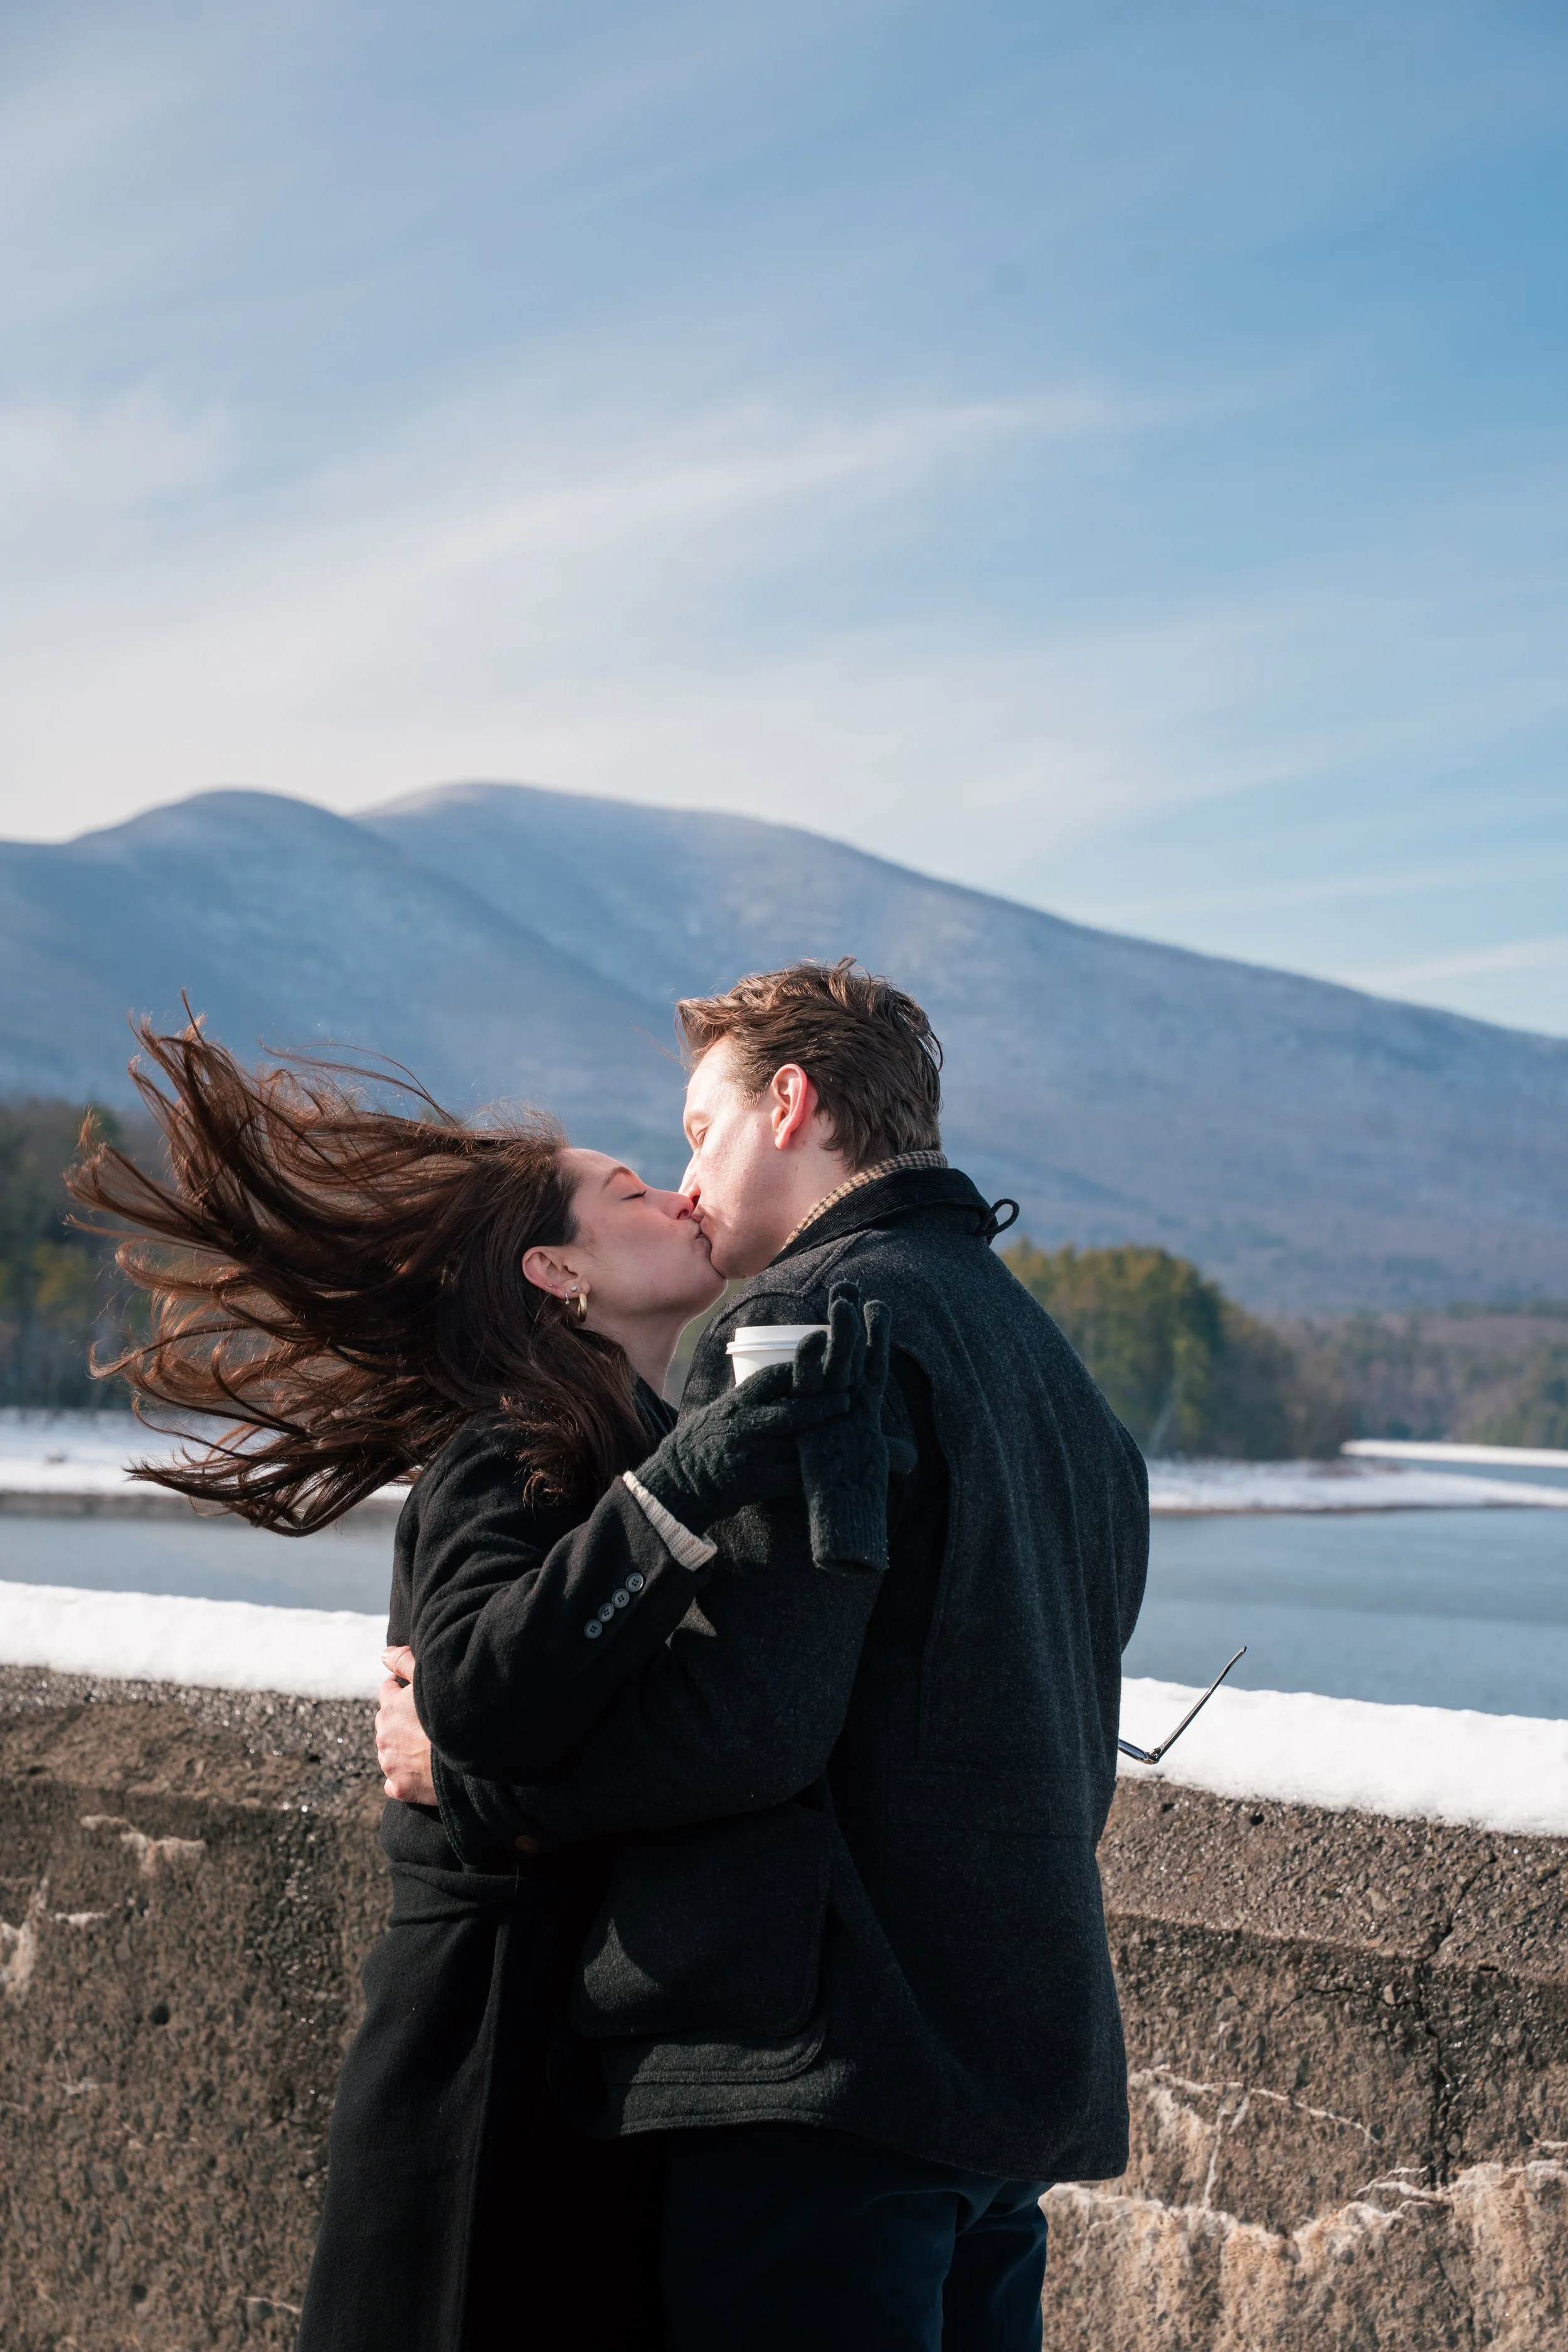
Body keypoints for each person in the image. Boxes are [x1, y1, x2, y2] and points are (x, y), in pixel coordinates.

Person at [68, 1017, 901, 2352]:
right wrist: (684, 1493)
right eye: (633, 1189)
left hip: (602, 2048)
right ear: (556, 1269)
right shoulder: (508, 1450)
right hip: (484, 2050)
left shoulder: (660, 1434)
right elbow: (479, 1691)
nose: (680, 1192)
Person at [377, 957, 1150, 2352]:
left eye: (695, 1130)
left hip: (825, 2075)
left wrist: (475, 1778)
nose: (686, 1178)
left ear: (787, 1104)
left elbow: (750, 1723)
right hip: (1013, 2082)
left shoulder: (800, 1326)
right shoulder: (1058, 1380)